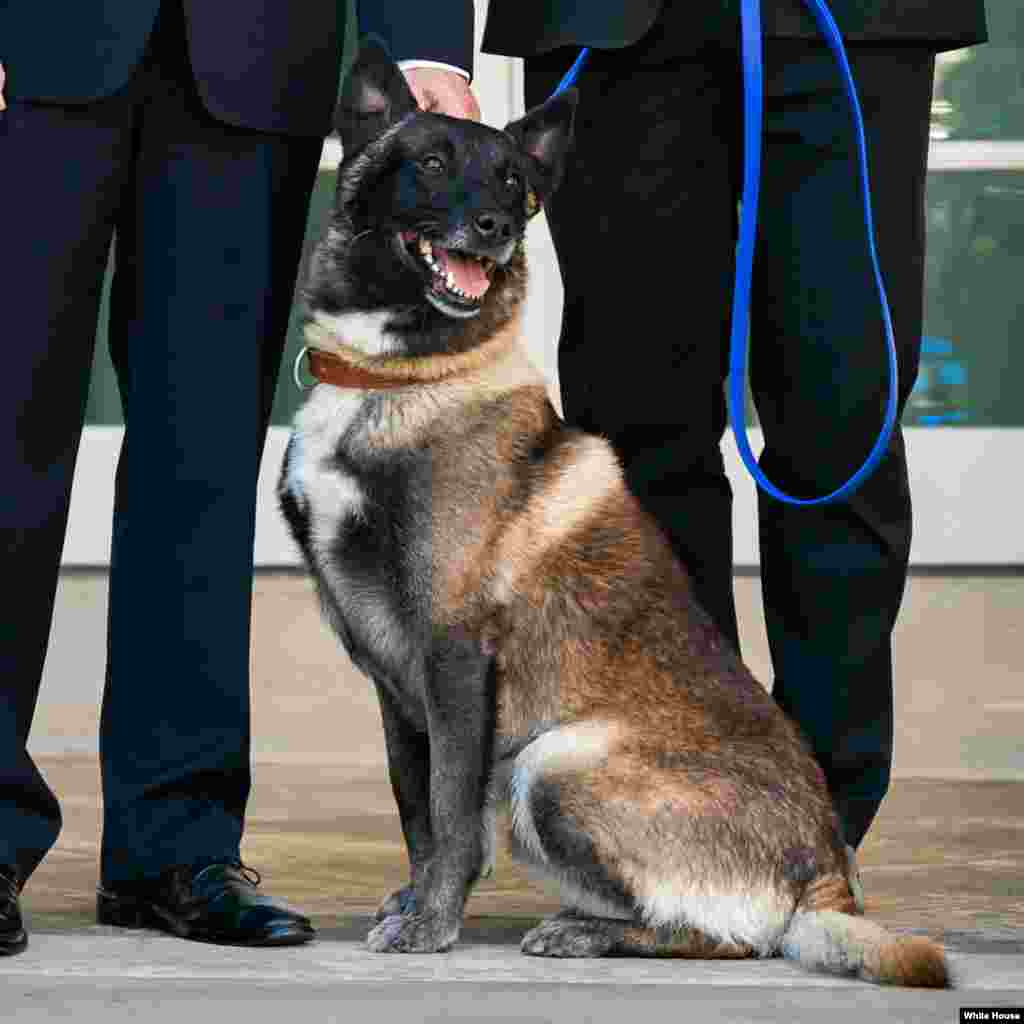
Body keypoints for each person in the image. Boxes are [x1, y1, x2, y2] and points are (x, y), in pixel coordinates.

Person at [0, 0, 475, 956]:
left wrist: (424, 37)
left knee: (205, 459)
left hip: (255, 57)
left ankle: (175, 843)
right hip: (35, 45)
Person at [473, 1, 987, 869]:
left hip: (852, 29)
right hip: (618, 28)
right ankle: (680, 804)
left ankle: (820, 820)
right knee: (636, 428)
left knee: (842, 417)